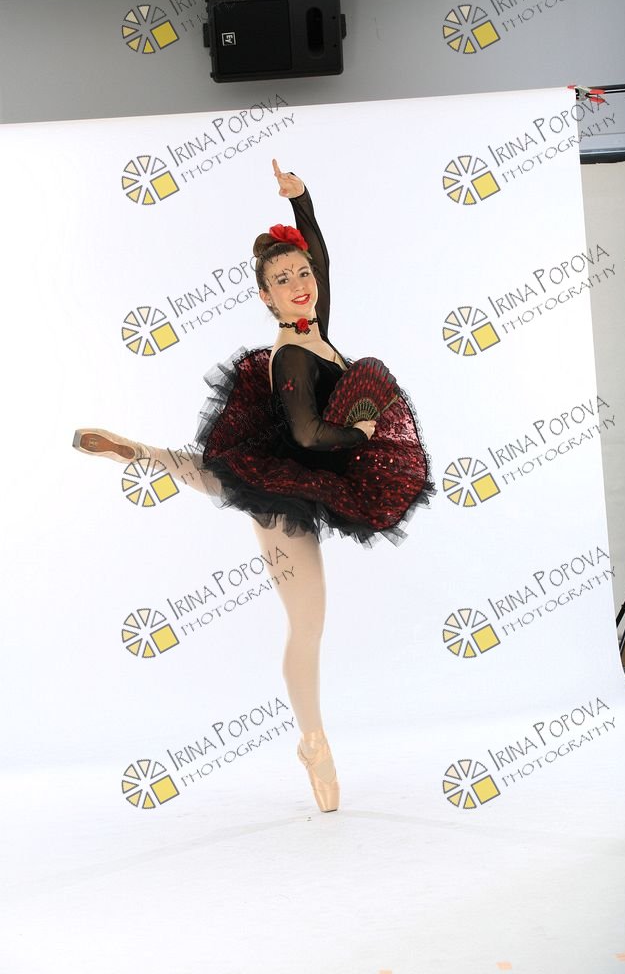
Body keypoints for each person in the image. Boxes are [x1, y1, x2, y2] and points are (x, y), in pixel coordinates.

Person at [73, 158, 434, 814]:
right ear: (265, 297)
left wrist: (302, 199)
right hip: (285, 484)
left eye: (302, 274)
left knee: (217, 474)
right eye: (283, 280)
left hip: (280, 462)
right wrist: (359, 431)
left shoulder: (317, 331)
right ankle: (313, 742)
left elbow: (321, 256)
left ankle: (143, 452)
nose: (299, 284)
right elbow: (305, 437)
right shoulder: (291, 354)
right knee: (307, 624)